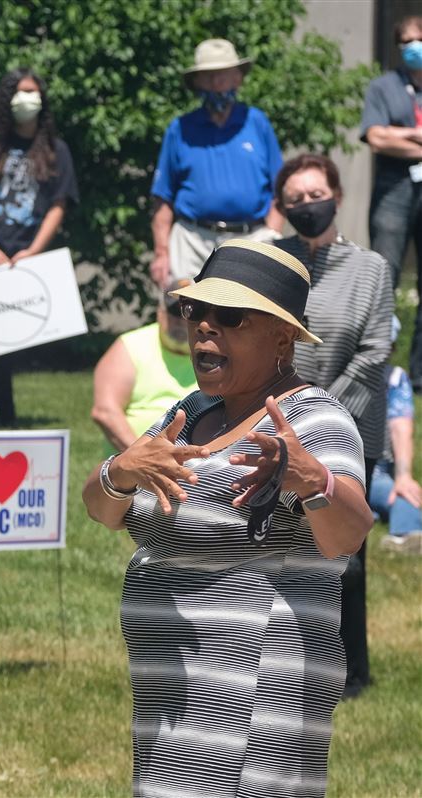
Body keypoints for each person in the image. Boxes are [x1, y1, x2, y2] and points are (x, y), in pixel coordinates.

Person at [83, 240, 372, 798]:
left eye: (231, 317)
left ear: (282, 337)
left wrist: (314, 481)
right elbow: (102, 510)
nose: (204, 328)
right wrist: (120, 470)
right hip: (172, 689)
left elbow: (348, 535)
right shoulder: (191, 412)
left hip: (260, 690)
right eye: (196, 310)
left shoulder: (314, 421)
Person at [273, 153, 395, 699]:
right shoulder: (273, 261)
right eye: (295, 199)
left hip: (349, 429)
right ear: (282, 207)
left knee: (345, 553)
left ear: (338, 196)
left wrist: (321, 413)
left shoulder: (372, 269)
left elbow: (374, 352)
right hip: (278, 426)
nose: (307, 205)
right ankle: (289, 658)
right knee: (282, 544)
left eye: (316, 194)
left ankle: (351, 670)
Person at [0, 67, 79, 427]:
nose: (27, 99)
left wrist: (34, 251)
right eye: (19, 91)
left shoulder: (56, 150)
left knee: (11, 341)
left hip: (28, 256)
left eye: (32, 91)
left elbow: (59, 204)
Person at [150, 39, 284, 288]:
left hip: (252, 238)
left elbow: (281, 190)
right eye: (208, 75)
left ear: (238, 78)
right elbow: (163, 197)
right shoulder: (180, 129)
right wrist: (161, 252)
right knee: (186, 307)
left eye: (223, 74)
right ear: (197, 82)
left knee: (251, 309)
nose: (216, 82)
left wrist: (272, 234)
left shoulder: (257, 123)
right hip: (192, 241)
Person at [360, 14, 422, 391]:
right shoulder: (384, 86)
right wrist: (417, 135)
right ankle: (375, 365)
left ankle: (419, 377)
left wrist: (401, 135)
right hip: (394, 188)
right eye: (406, 41)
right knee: (384, 277)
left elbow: (388, 134)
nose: (413, 47)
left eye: (418, 39)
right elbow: (376, 138)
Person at [91, 280, 197, 452]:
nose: (180, 320)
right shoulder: (131, 346)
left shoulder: (214, 352)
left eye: (189, 313)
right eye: (174, 312)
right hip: (133, 462)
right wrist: (142, 458)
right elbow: (105, 412)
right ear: (160, 312)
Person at [373, 316, 422, 553]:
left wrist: (404, 477)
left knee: (404, 495)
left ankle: (409, 536)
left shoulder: (394, 378)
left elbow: (401, 426)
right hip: (333, 466)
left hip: (376, 470)